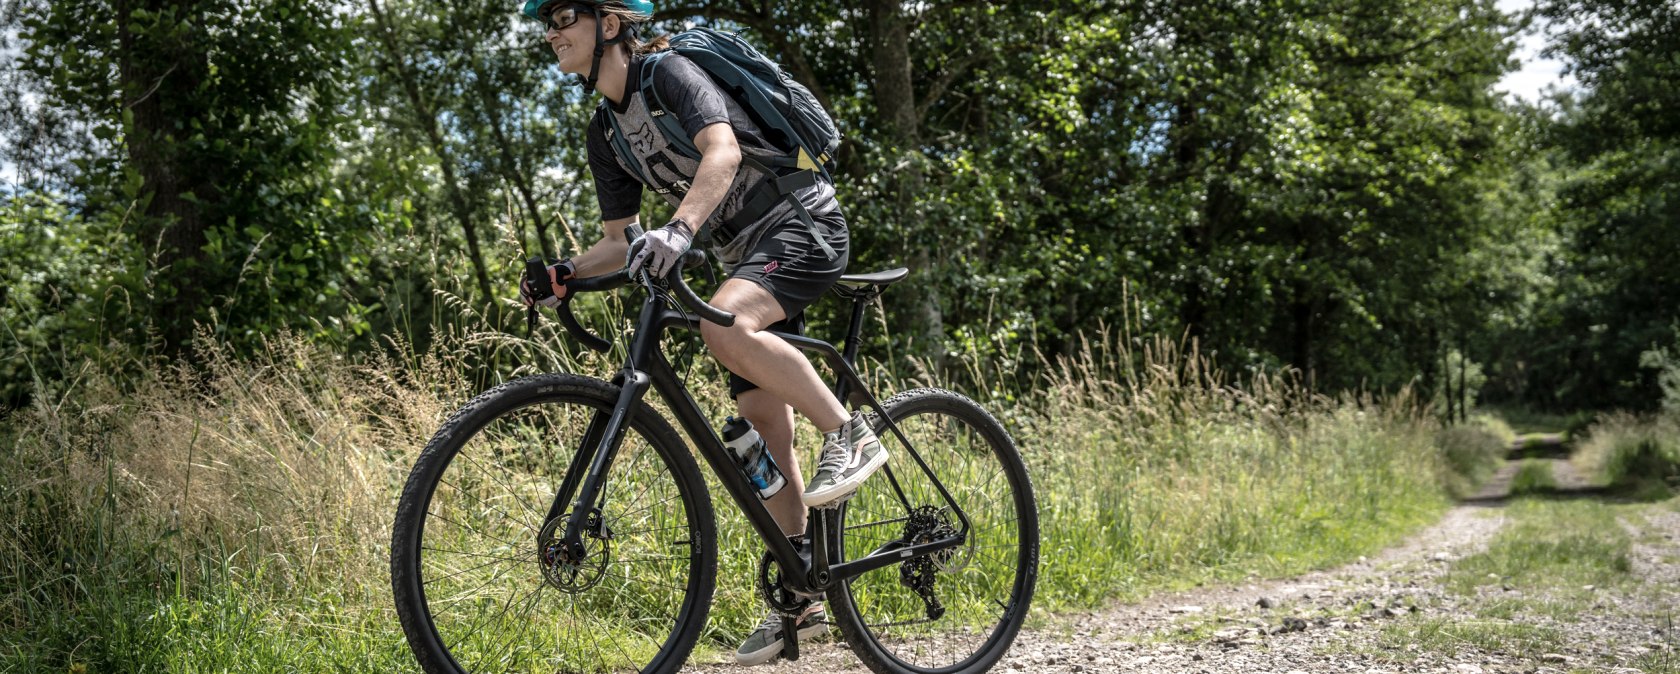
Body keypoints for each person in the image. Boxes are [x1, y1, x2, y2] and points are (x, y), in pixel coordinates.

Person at [516, 0, 886, 664]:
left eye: (564, 14)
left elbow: (724, 150)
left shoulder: (670, 74)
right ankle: (803, 595)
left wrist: (681, 231)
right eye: (546, 21)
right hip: (742, 253)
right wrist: (565, 271)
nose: (550, 31)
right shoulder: (606, 131)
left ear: (608, 24)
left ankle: (850, 433)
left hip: (802, 221)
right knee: (758, 425)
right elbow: (618, 242)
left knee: (726, 326)